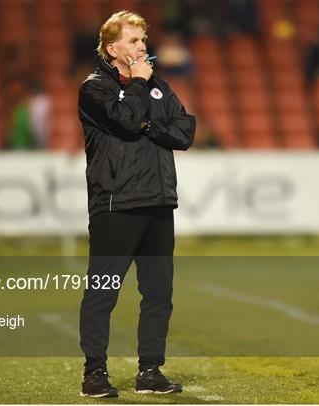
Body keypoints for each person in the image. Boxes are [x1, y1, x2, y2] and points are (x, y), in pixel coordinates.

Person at [77, 10, 195, 398]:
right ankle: (94, 372)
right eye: (133, 41)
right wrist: (141, 92)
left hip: (159, 201)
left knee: (159, 293)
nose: (142, 46)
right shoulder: (95, 88)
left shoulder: (157, 86)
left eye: (143, 40)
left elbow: (184, 131)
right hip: (117, 202)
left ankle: (151, 370)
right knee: (103, 291)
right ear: (112, 48)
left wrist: (149, 125)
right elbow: (127, 122)